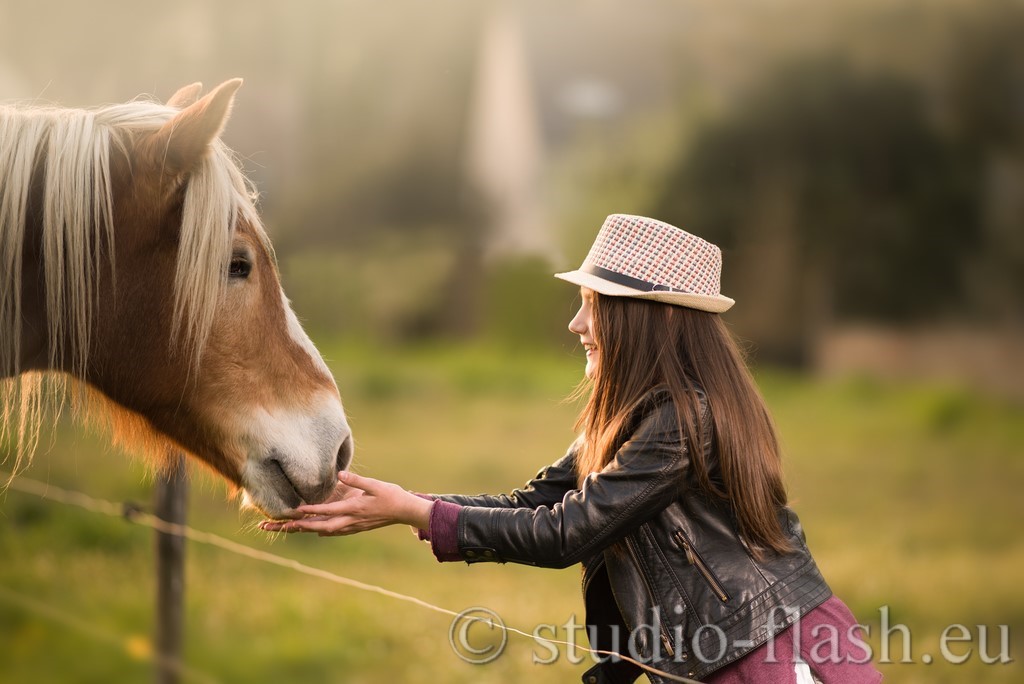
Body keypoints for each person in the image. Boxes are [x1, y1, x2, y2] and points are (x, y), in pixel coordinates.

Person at [261, 215, 883, 683]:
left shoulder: (680, 419)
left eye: (593, 306)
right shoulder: (631, 417)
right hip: (736, 653)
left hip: (773, 655)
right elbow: (530, 503)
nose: (576, 325)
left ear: (655, 317)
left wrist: (414, 512)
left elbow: (568, 534)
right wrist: (399, 503)